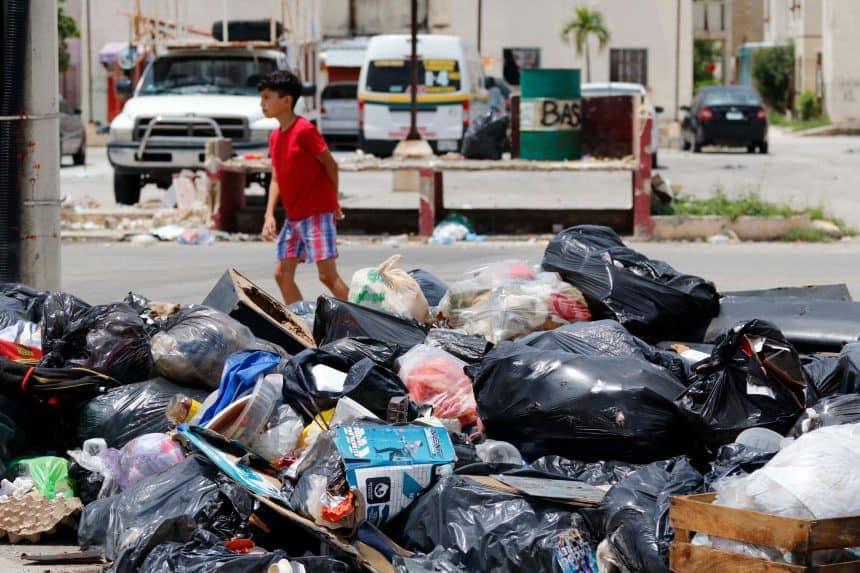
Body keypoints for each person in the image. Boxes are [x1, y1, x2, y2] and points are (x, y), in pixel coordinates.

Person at [258, 70, 349, 304]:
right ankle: (300, 320)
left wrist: (334, 202)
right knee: (282, 275)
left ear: (286, 101)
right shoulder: (275, 137)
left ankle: (364, 319)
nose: (262, 104)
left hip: (317, 213)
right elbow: (276, 178)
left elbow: (331, 165)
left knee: (327, 276)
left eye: (267, 97)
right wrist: (269, 215)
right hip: (294, 218)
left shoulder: (305, 130)